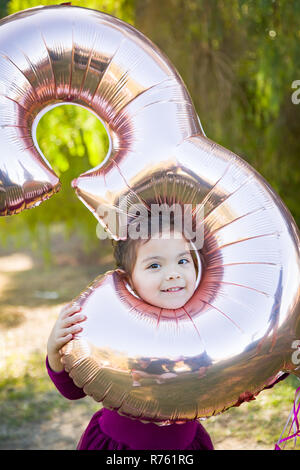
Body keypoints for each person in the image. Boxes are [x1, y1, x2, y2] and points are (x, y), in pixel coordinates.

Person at [46, 213, 215, 450]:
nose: (174, 273)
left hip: (185, 446)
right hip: (119, 447)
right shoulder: (116, 328)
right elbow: (73, 391)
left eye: (183, 261)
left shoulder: (206, 322)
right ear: (129, 280)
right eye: (154, 265)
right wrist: (55, 352)